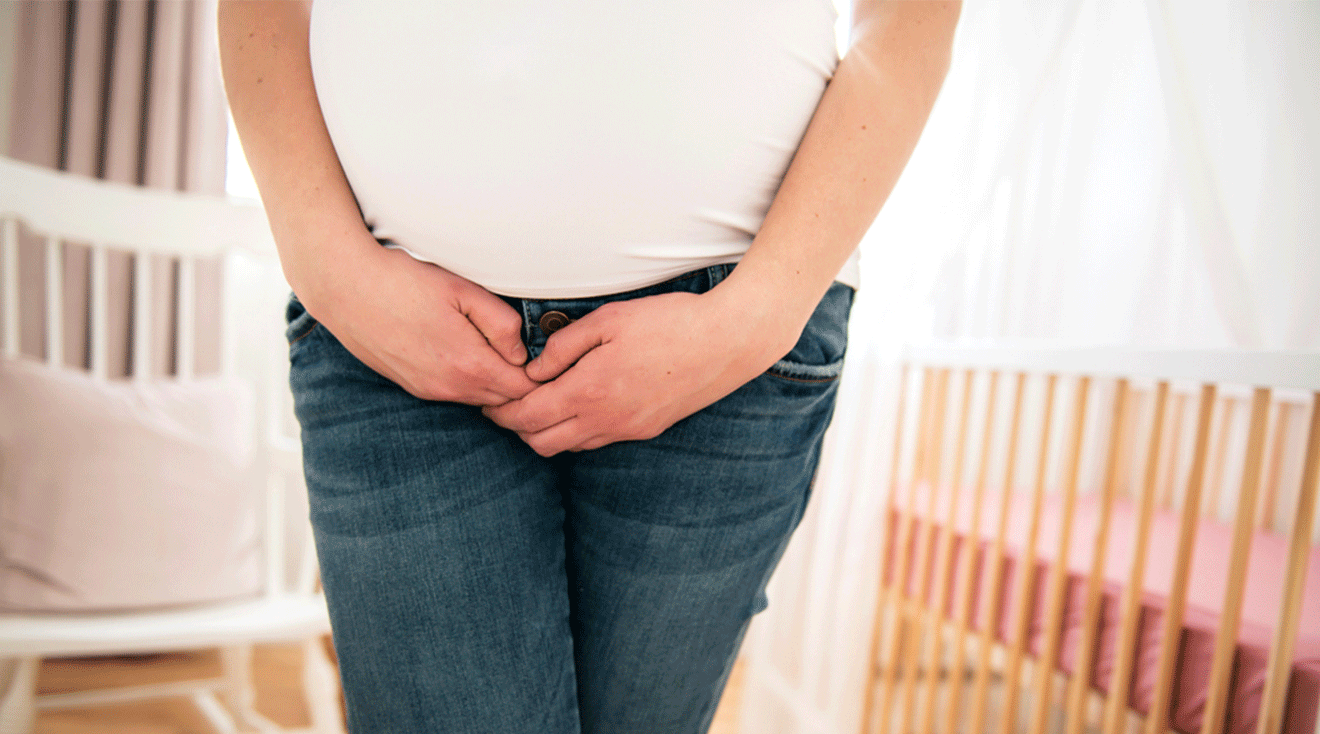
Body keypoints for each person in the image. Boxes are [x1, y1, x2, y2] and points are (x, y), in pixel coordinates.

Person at [218, 2, 959, 732]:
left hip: (724, 350)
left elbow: (907, 19)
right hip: (393, 330)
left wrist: (756, 313)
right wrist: (330, 267)